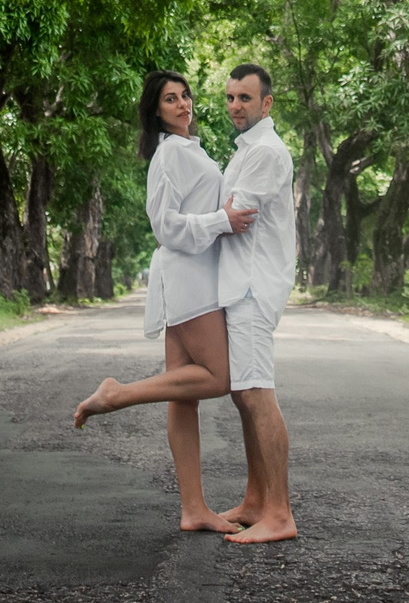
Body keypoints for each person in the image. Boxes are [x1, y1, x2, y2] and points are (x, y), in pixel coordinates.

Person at [72, 70, 257, 533]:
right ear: (156, 111)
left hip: (193, 275)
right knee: (218, 378)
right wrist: (221, 220)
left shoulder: (187, 149)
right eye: (170, 99)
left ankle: (193, 508)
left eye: (185, 95)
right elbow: (165, 226)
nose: (182, 104)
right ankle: (117, 394)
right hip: (190, 277)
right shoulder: (169, 154)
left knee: (183, 396)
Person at [207, 62, 297, 543]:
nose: (235, 106)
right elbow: (227, 213)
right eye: (230, 98)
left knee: (257, 391)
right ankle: (255, 499)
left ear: (266, 103)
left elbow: (237, 215)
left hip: (253, 285)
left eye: (245, 98)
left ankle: (280, 513)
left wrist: (197, 219)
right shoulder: (246, 151)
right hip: (237, 283)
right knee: (244, 393)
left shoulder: (265, 152)